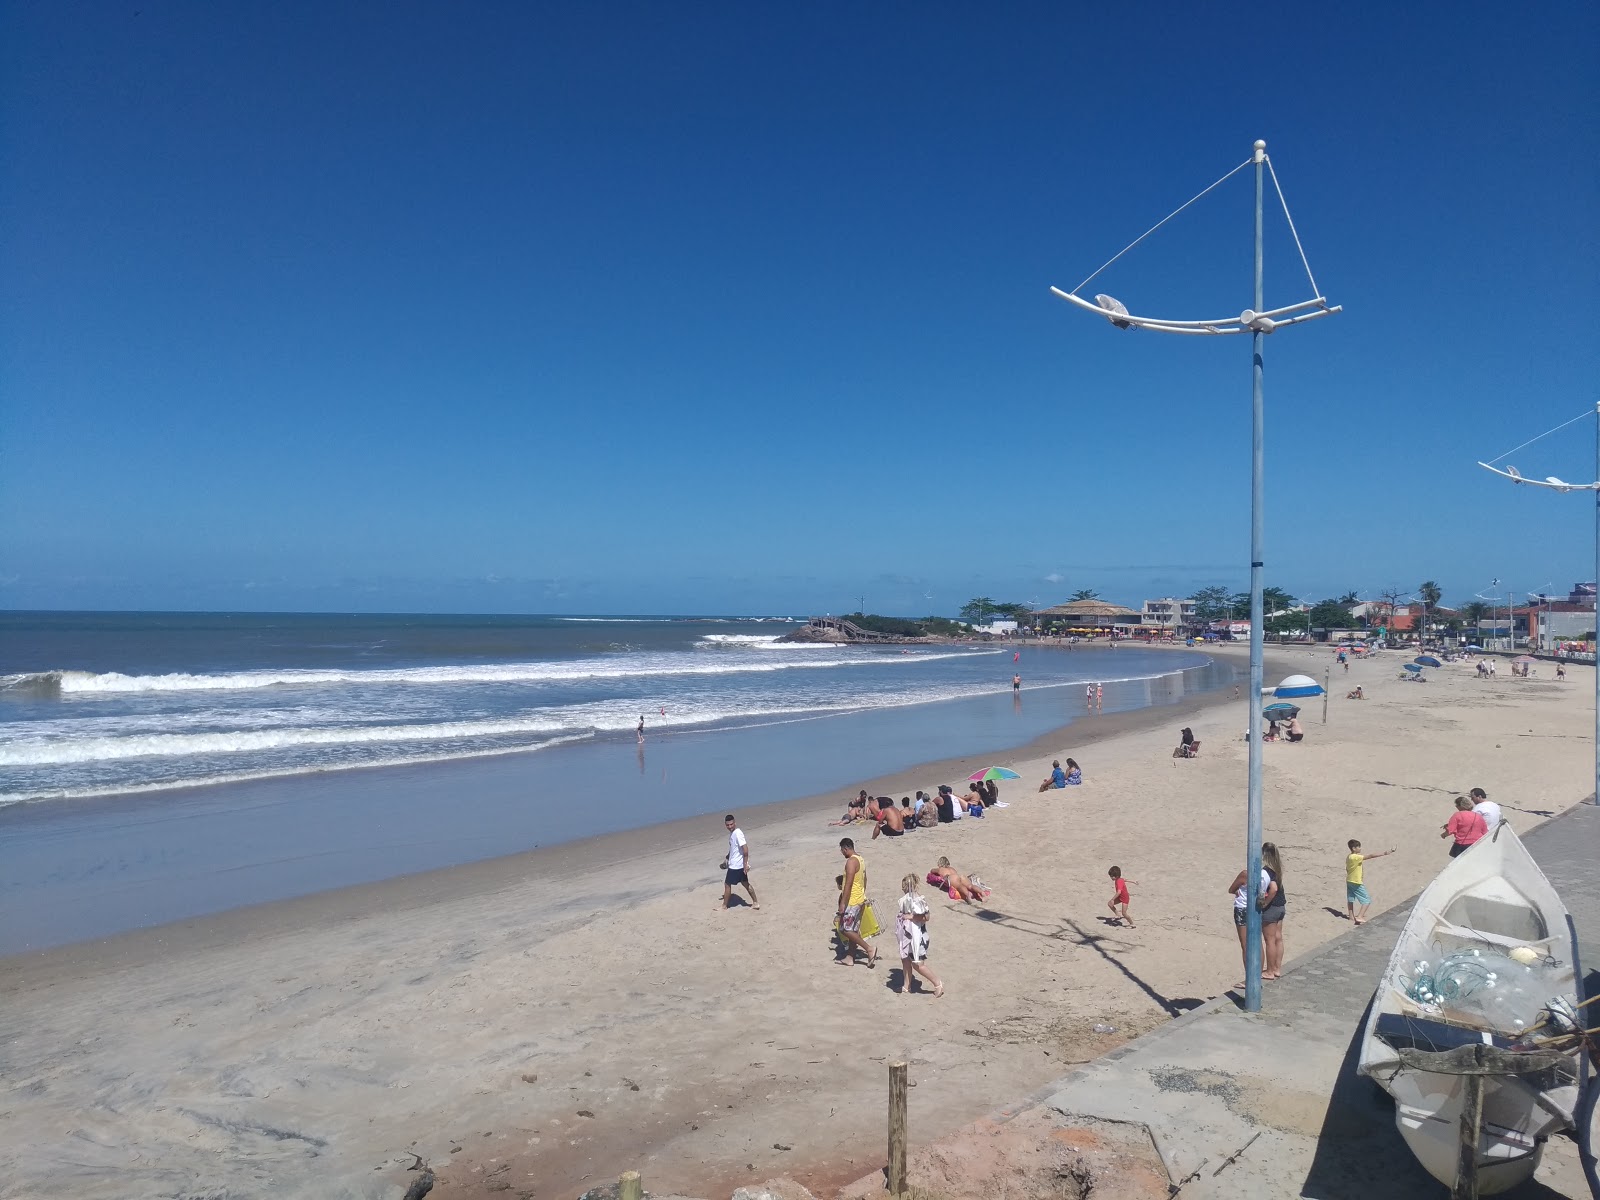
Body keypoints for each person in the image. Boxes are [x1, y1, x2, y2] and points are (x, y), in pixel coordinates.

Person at [1226, 844, 1284, 983]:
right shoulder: (1268, 873)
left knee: (1246, 945)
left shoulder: (1246, 874)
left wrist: (1236, 891)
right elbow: (1273, 888)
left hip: (1243, 909)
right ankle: (1260, 973)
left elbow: (1231, 889)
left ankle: (1251, 978)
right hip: (1257, 908)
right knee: (1258, 942)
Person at [896, 874, 942, 997]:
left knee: (917, 964)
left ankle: (937, 983)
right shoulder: (905, 900)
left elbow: (926, 917)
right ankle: (906, 986)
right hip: (907, 935)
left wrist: (911, 917)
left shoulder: (919, 900)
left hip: (919, 937)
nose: (904, 888)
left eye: (905, 886)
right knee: (905, 960)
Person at [836, 838, 876, 967]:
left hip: (852, 901)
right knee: (854, 929)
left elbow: (848, 883)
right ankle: (850, 957)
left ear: (845, 849)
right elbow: (865, 879)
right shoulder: (860, 859)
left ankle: (869, 948)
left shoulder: (851, 862)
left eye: (842, 851)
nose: (842, 853)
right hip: (860, 898)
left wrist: (843, 903)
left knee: (845, 929)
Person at [1345, 840, 1394, 925]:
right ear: (1354, 848)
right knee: (1366, 900)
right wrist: (1386, 853)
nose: (1360, 848)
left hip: (1349, 880)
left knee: (1351, 899)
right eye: (1358, 847)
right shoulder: (1355, 857)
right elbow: (1370, 856)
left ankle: (1351, 917)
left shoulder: (1349, 857)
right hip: (1356, 882)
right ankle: (1360, 916)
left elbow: (1347, 869)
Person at [719, 815, 759, 910]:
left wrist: (745, 864)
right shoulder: (732, 834)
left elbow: (745, 850)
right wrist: (727, 857)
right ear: (725, 825)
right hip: (736, 865)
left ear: (735, 823)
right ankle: (755, 903)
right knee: (745, 883)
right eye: (728, 825)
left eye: (731, 824)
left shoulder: (738, 833)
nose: (730, 826)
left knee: (727, 884)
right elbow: (733, 848)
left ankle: (724, 906)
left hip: (736, 866)